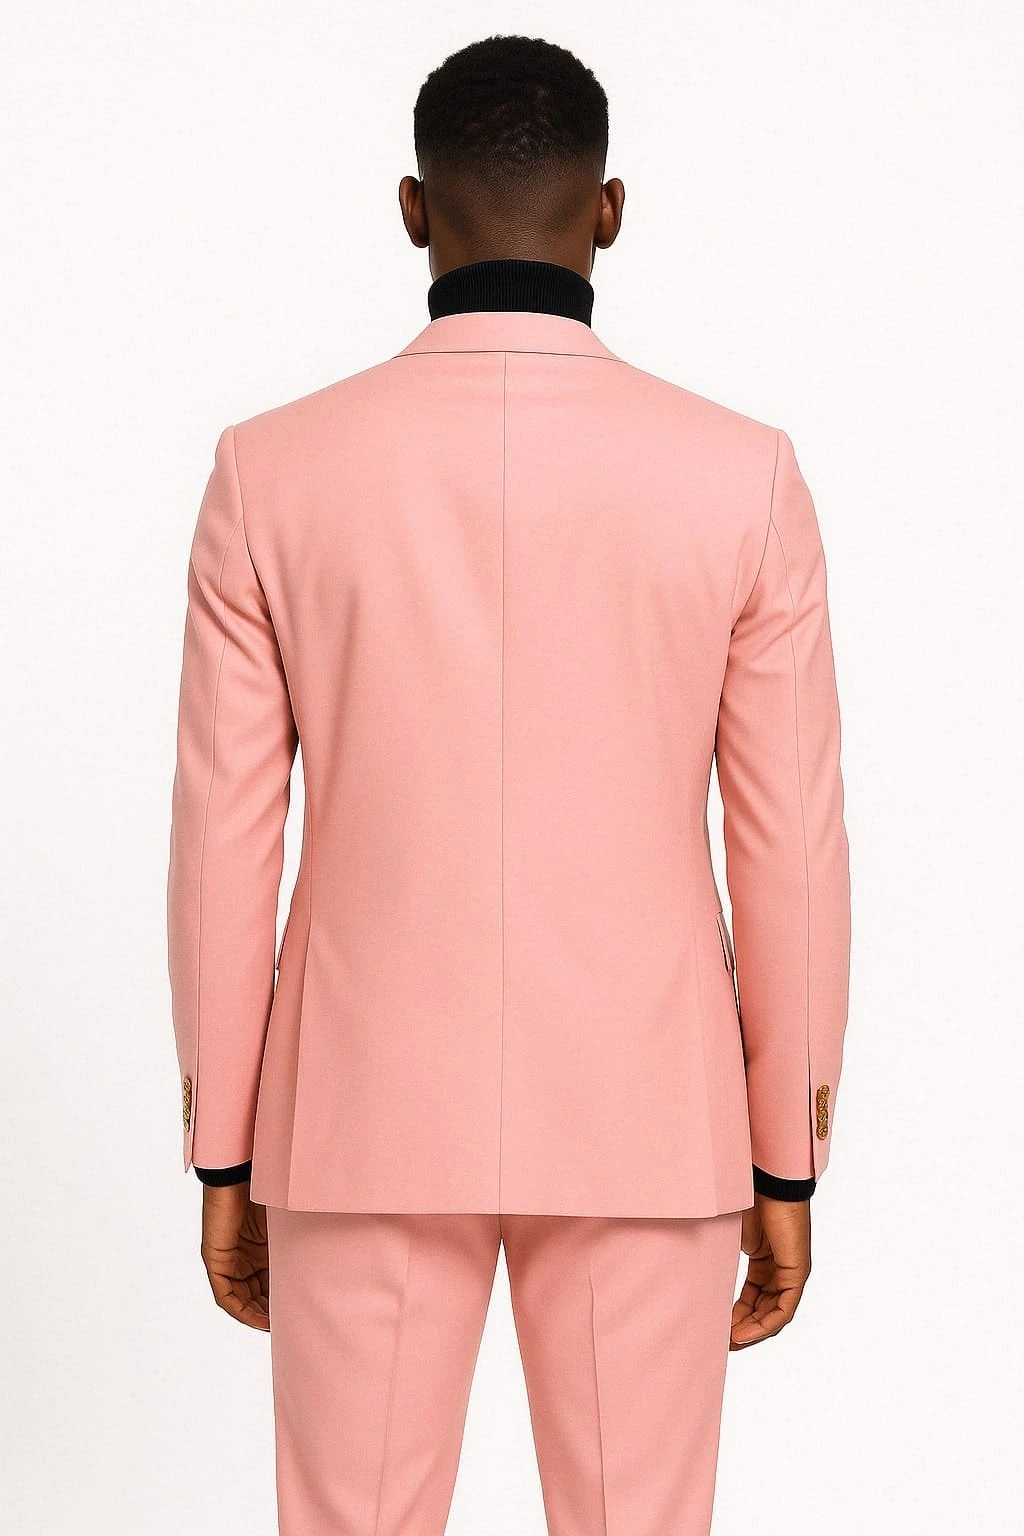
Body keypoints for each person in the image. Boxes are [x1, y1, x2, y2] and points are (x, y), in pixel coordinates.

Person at [166, 32, 851, 1536]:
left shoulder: (271, 470)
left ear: (414, 209)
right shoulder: (741, 474)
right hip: (648, 1116)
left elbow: (224, 840)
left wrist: (225, 1148)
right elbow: (789, 847)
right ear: (611, 211)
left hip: (355, 1114)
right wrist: (786, 1162)